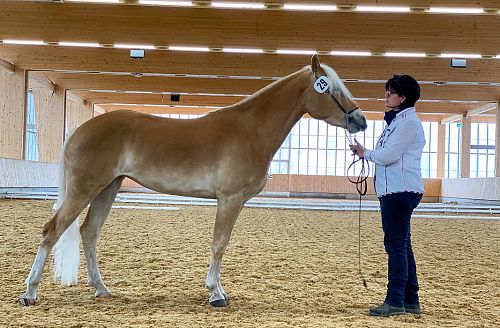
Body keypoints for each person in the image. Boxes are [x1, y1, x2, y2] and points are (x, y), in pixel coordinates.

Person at [349, 74, 425, 317]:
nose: (386, 97)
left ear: (402, 97)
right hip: (394, 190)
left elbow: (387, 155)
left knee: (395, 246)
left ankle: (395, 301)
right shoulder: (396, 122)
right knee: (403, 246)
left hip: (399, 191)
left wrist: (366, 153)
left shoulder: (407, 123)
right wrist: (366, 153)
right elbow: (385, 153)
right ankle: (410, 300)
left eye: (390, 93)